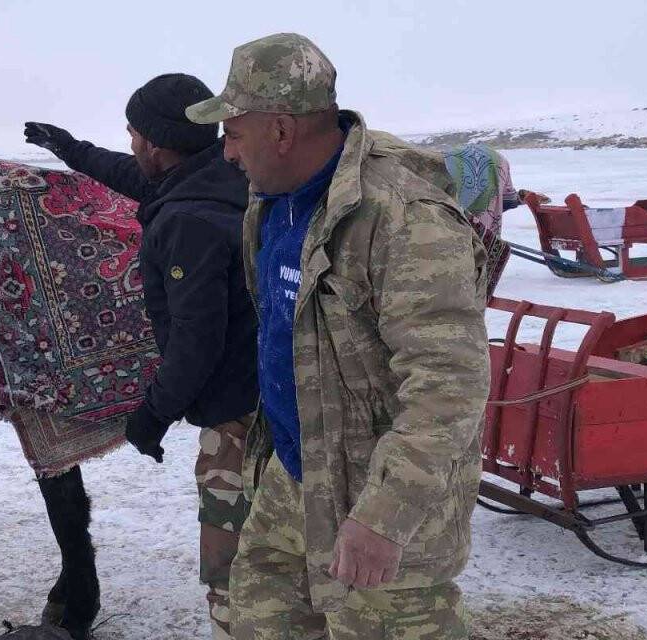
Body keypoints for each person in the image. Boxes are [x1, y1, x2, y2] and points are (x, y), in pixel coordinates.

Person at [185, 33, 491, 639]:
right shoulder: (272, 203)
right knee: (260, 621)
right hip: (294, 478)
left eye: (234, 132)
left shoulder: (404, 219)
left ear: (281, 130)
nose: (226, 152)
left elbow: (448, 385)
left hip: (379, 505)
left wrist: (384, 516)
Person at [24, 73, 259, 640]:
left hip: (237, 413)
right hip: (268, 390)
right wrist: (72, 150)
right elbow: (131, 175)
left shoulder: (186, 223)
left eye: (133, 134)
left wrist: (151, 417)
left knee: (234, 567)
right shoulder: (220, 174)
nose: (130, 145)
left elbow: (195, 341)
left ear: (156, 142)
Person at [443, 143, 547, 297]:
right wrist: (519, 198)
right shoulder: (499, 163)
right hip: (479, 215)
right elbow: (506, 198)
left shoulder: (443, 167)